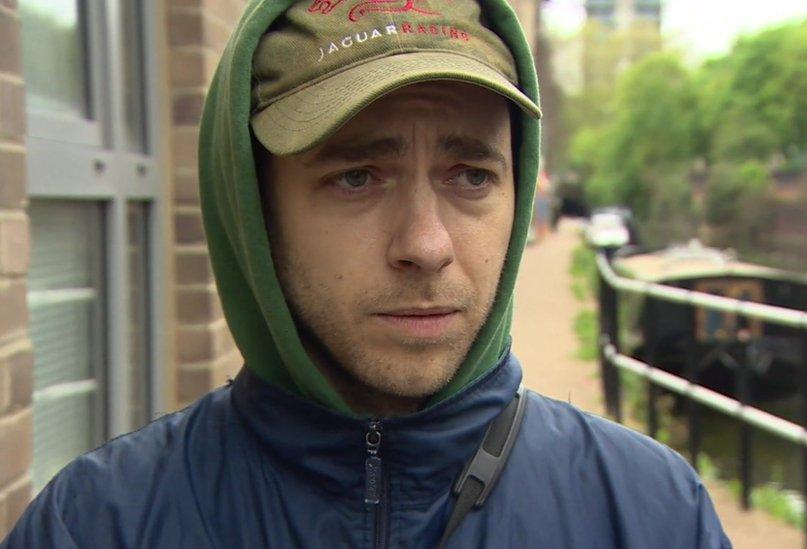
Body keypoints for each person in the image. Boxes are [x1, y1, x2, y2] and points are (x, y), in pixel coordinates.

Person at [2, 0, 731, 547]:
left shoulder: (651, 514)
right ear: (254, 209)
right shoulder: (99, 524)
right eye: (357, 176)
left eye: (471, 175)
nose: (426, 242)